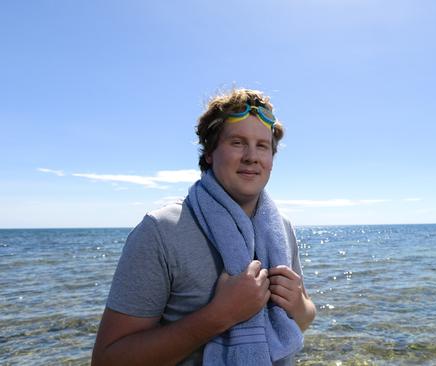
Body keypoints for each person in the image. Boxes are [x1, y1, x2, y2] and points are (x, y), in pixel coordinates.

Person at [92, 89, 316, 366]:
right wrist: (219, 316)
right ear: (209, 152)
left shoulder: (281, 227)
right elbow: (107, 360)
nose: (251, 156)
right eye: (237, 142)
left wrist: (299, 306)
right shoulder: (161, 230)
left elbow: (303, 317)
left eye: (262, 146)